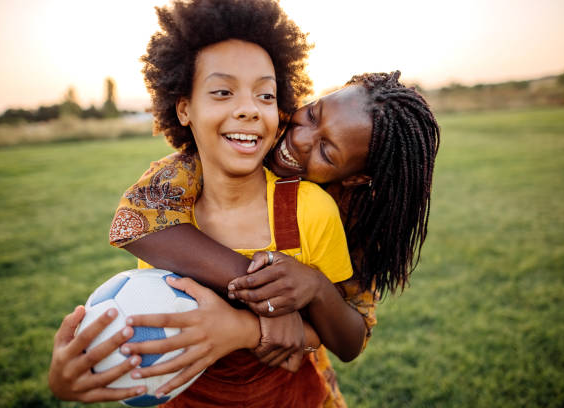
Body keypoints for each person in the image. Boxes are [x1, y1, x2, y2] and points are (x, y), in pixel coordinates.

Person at [49, 0, 367, 406]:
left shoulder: (311, 209)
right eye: (222, 91)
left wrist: (255, 322)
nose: (249, 109)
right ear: (184, 108)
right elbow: (131, 231)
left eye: (265, 95)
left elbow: (337, 334)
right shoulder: (166, 209)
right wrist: (71, 378)